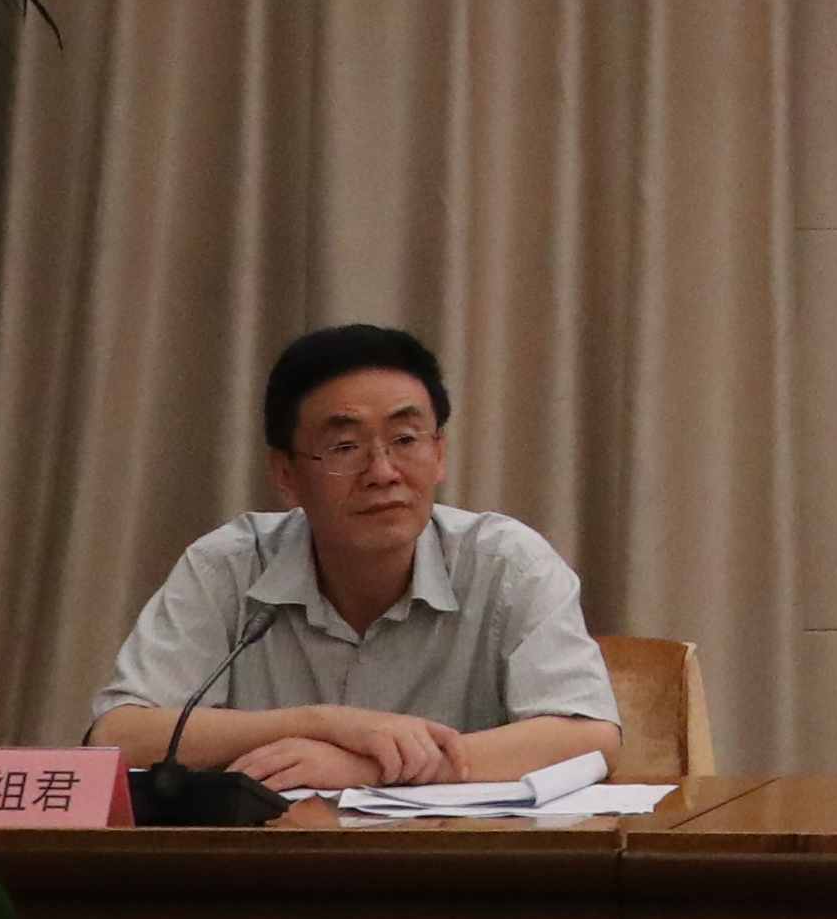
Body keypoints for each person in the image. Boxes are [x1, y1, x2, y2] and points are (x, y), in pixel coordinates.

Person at [86, 324, 624, 791]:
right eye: (345, 448)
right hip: (269, 868)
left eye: (405, 439)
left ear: (439, 453)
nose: (383, 472)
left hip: (455, 869)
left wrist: (366, 767)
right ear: (286, 475)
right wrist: (324, 723)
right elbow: (118, 736)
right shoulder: (228, 565)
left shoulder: (507, 564)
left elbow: (588, 736)